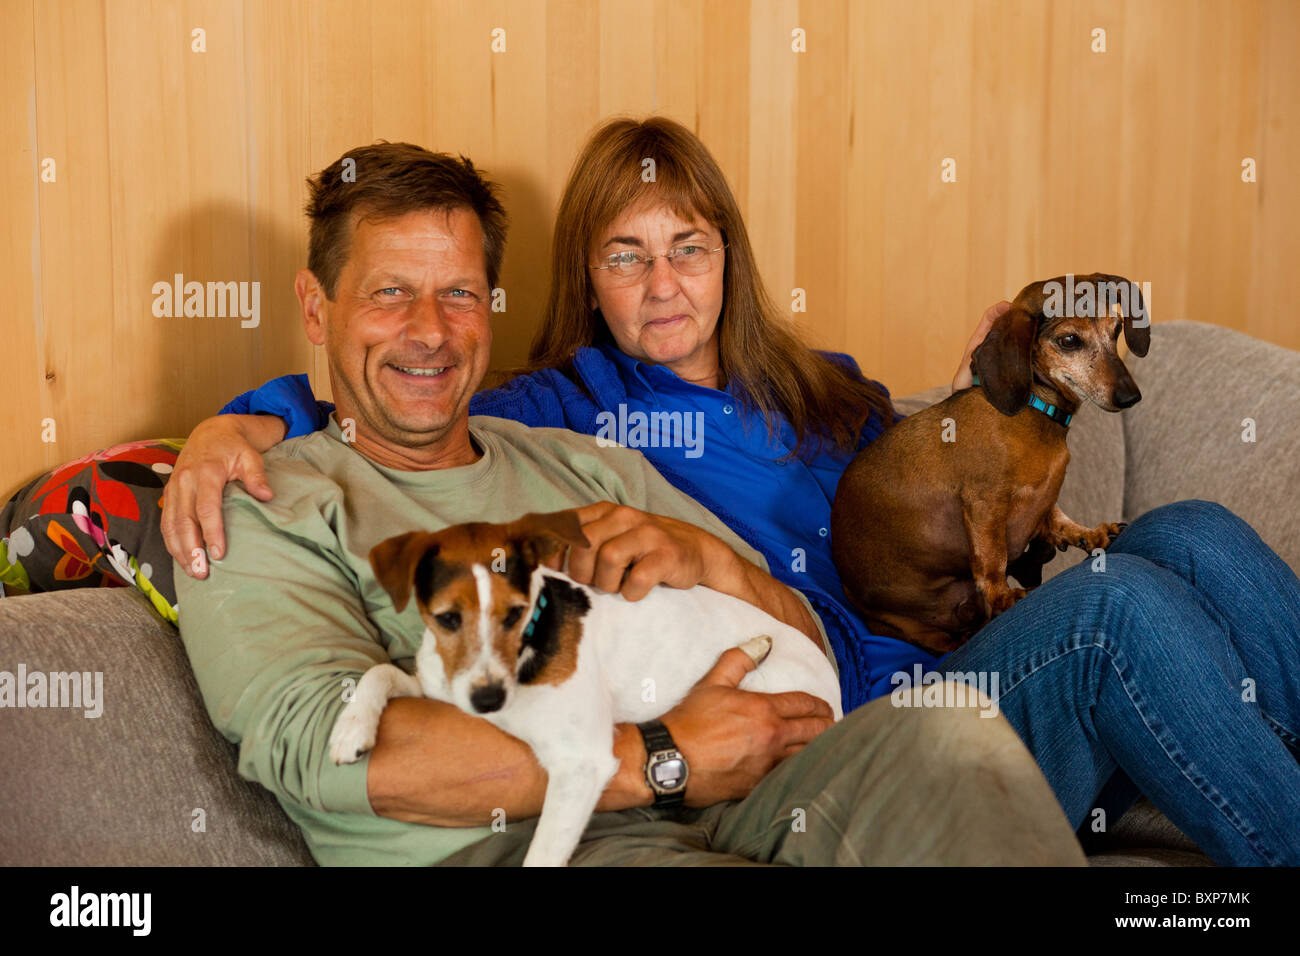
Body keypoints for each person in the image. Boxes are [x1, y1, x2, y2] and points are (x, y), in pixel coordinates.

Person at [167, 120, 1300, 866]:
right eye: (624, 255)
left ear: (728, 255)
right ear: (583, 279)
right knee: (1111, 611)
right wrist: (233, 422)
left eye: (688, 247)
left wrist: (990, 389)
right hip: (868, 709)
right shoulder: (571, 408)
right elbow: (398, 403)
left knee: (1188, 532)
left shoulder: (813, 395)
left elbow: (932, 485)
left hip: (869, 700)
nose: (663, 283)